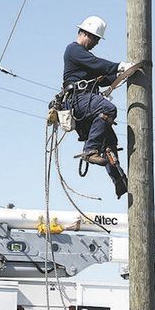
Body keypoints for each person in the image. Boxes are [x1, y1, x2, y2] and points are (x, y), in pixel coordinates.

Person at [63, 16, 133, 196]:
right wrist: (119, 66)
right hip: (78, 100)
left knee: (110, 142)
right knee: (108, 109)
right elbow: (98, 64)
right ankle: (89, 149)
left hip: (85, 101)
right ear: (86, 33)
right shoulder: (73, 50)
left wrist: (123, 75)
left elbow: (101, 77)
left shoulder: (85, 58)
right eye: (95, 39)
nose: (96, 43)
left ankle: (119, 180)